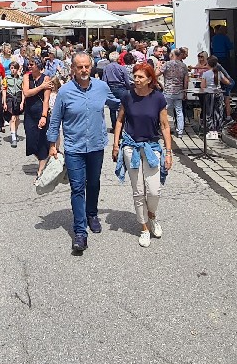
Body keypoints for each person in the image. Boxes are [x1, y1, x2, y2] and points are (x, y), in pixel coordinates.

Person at [46, 53, 118, 255]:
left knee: (93, 183)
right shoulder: (65, 92)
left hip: (96, 145)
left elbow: (118, 103)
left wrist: (143, 98)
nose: (84, 70)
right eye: (80, 67)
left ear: (91, 67)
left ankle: (92, 214)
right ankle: (80, 232)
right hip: (74, 147)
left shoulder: (101, 87)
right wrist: (52, 144)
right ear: (73, 69)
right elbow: (56, 119)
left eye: (87, 66)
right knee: (77, 188)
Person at [111, 62, 173, 248]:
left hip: (152, 147)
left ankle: (151, 215)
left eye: (140, 77)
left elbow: (165, 126)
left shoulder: (158, 98)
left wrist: (168, 153)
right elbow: (120, 121)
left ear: (150, 79)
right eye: (135, 76)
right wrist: (116, 145)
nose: (136, 80)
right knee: (138, 191)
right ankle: (144, 228)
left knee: (154, 190)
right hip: (131, 147)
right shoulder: (127, 96)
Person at [21, 57, 56, 176]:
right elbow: (26, 93)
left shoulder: (46, 78)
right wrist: (41, 87)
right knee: (31, 141)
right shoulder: (27, 77)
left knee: (41, 141)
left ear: (38, 65)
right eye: (28, 64)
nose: (29, 66)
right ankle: (45, 158)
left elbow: (46, 100)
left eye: (32, 64)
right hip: (29, 113)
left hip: (41, 112)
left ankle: (41, 168)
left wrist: (44, 116)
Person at [201, 56, 233, 137]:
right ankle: (218, 129)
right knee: (218, 111)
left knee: (209, 112)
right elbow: (228, 82)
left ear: (208, 64)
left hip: (209, 94)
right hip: (218, 93)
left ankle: (210, 130)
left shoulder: (205, 74)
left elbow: (203, 86)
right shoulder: (219, 73)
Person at [161, 48, 189, 136]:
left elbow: (157, 73)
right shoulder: (183, 66)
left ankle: (165, 128)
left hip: (168, 91)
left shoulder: (167, 64)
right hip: (179, 91)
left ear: (172, 55)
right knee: (179, 111)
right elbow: (186, 80)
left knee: (165, 110)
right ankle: (180, 131)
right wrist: (185, 91)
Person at [102, 51, 132, 128]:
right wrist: (129, 89)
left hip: (111, 87)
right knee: (123, 108)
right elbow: (126, 80)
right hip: (121, 88)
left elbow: (104, 80)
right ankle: (121, 126)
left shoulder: (106, 68)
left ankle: (114, 126)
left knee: (112, 108)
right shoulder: (122, 68)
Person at [2, 60, 25, 149]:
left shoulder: (21, 79)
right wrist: (4, 102)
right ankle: (13, 138)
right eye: (11, 68)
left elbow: (23, 91)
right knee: (12, 118)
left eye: (14, 68)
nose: (12, 70)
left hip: (18, 99)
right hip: (10, 99)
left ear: (17, 69)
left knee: (17, 118)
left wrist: (22, 102)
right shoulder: (6, 79)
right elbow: (4, 90)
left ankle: (15, 132)